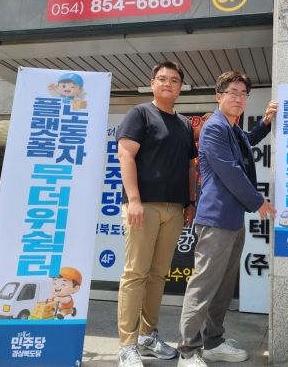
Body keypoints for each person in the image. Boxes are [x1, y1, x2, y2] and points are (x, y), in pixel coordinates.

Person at [177, 71, 277, 367]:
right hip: (216, 220)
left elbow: (250, 139)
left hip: (232, 219)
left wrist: (266, 122)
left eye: (243, 94)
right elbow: (230, 170)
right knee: (204, 285)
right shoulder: (214, 128)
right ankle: (187, 351)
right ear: (218, 96)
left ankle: (213, 342)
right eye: (233, 92)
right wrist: (258, 201)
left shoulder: (233, 129)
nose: (239, 98)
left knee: (222, 286)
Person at [116, 61, 198, 367]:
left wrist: (189, 202)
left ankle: (147, 337)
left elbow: (190, 165)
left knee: (157, 274)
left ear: (180, 88)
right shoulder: (139, 114)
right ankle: (127, 345)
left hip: (174, 208)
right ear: (152, 83)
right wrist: (134, 200)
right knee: (135, 273)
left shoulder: (184, 125)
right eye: (162, 79)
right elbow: (126, 155)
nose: (168, 84)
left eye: (174, 80)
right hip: (143, 206)